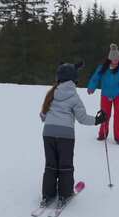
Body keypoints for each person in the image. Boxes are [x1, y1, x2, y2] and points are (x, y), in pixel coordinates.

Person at [39, 62, 107, 208]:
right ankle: (65, 193)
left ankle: (48, 194)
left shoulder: (51, 93)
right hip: (65, 136)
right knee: (65, 165)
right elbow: (82, 118)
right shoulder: (74, 97)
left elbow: (43, 116)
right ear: (74, 80)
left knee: (51, 165)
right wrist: (98, 120)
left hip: (48, 133)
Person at [87, 43, 119, 145]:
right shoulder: (102, 68)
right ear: (109, 59)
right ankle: (103, 133)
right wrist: (91, 87)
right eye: (114, 60)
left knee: (118, 116)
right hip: (106, 95)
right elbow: (95, 79)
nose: (116, 62)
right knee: (104, 115)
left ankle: (118, 137)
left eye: (118, 60)